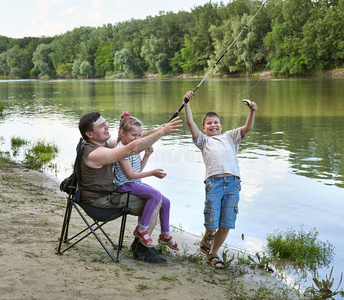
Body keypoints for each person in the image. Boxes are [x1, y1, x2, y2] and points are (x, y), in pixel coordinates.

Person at [78, 112, 182, 263]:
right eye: (101, 126)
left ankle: (141, 243)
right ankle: (142, 249)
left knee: (159, 199)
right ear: (90, 134)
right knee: (155, 201)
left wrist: (157, 129)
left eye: (105, 122)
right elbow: (131, 149)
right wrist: (161, 133)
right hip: (99, 200)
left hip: (106, 193)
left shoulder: (101, 144)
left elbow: (132, 139)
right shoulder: (96, 153)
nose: (107, 126)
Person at [183, 91, 258, 269]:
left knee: (226, 224)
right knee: (212, 224)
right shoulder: (203, 141)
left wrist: (252, 111)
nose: (213, 125)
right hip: (214, 184)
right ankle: (208, 236)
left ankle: (213, 254)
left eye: (216, 122)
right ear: (204, 128)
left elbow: (247, 128)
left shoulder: (231, 137)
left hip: (233, 183)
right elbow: (190, 123)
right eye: (209, 123)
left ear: (221, 126)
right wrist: (186, 103)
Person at [113, 113, 178, 251]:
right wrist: (152, 173)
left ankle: (165, 235)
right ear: (123, 133)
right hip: (124, 186)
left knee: (166, 201)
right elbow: (130, 175)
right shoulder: (121, 150)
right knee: (155, 195)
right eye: (134, 135)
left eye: (139, 136)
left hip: (134, 182)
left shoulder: (134, 147)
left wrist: (146, 156)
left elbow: (138, 169)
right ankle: (141, 229)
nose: (137, 139)